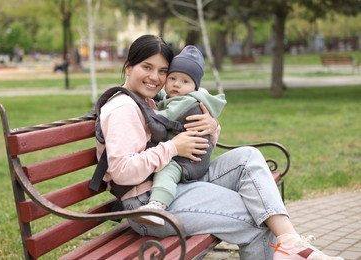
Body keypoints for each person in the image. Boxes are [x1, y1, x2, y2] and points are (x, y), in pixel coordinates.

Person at [95, 34, 344, 260]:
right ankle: (291, 250)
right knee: (256, 218)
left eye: (162, 71)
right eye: (146, 67)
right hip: (147, 205)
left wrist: (211, 125)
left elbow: (190, 138)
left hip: (175, 182)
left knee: (248, 157)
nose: (155, 77)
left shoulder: (150, 100)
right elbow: (122, 172)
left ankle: (290, 243)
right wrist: (172, 147)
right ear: (128, 67)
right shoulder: (123, 108)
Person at [135, 45, 227, 226]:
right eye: (172, 78)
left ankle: (157, 206)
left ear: (194, 87)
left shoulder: (185, 103)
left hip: (189, 159)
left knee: (166, 171)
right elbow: (163, 96)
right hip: (192, 155)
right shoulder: (181, 97)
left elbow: (162, 117)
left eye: (185, 81)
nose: (176, 84)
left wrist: (143, 108)